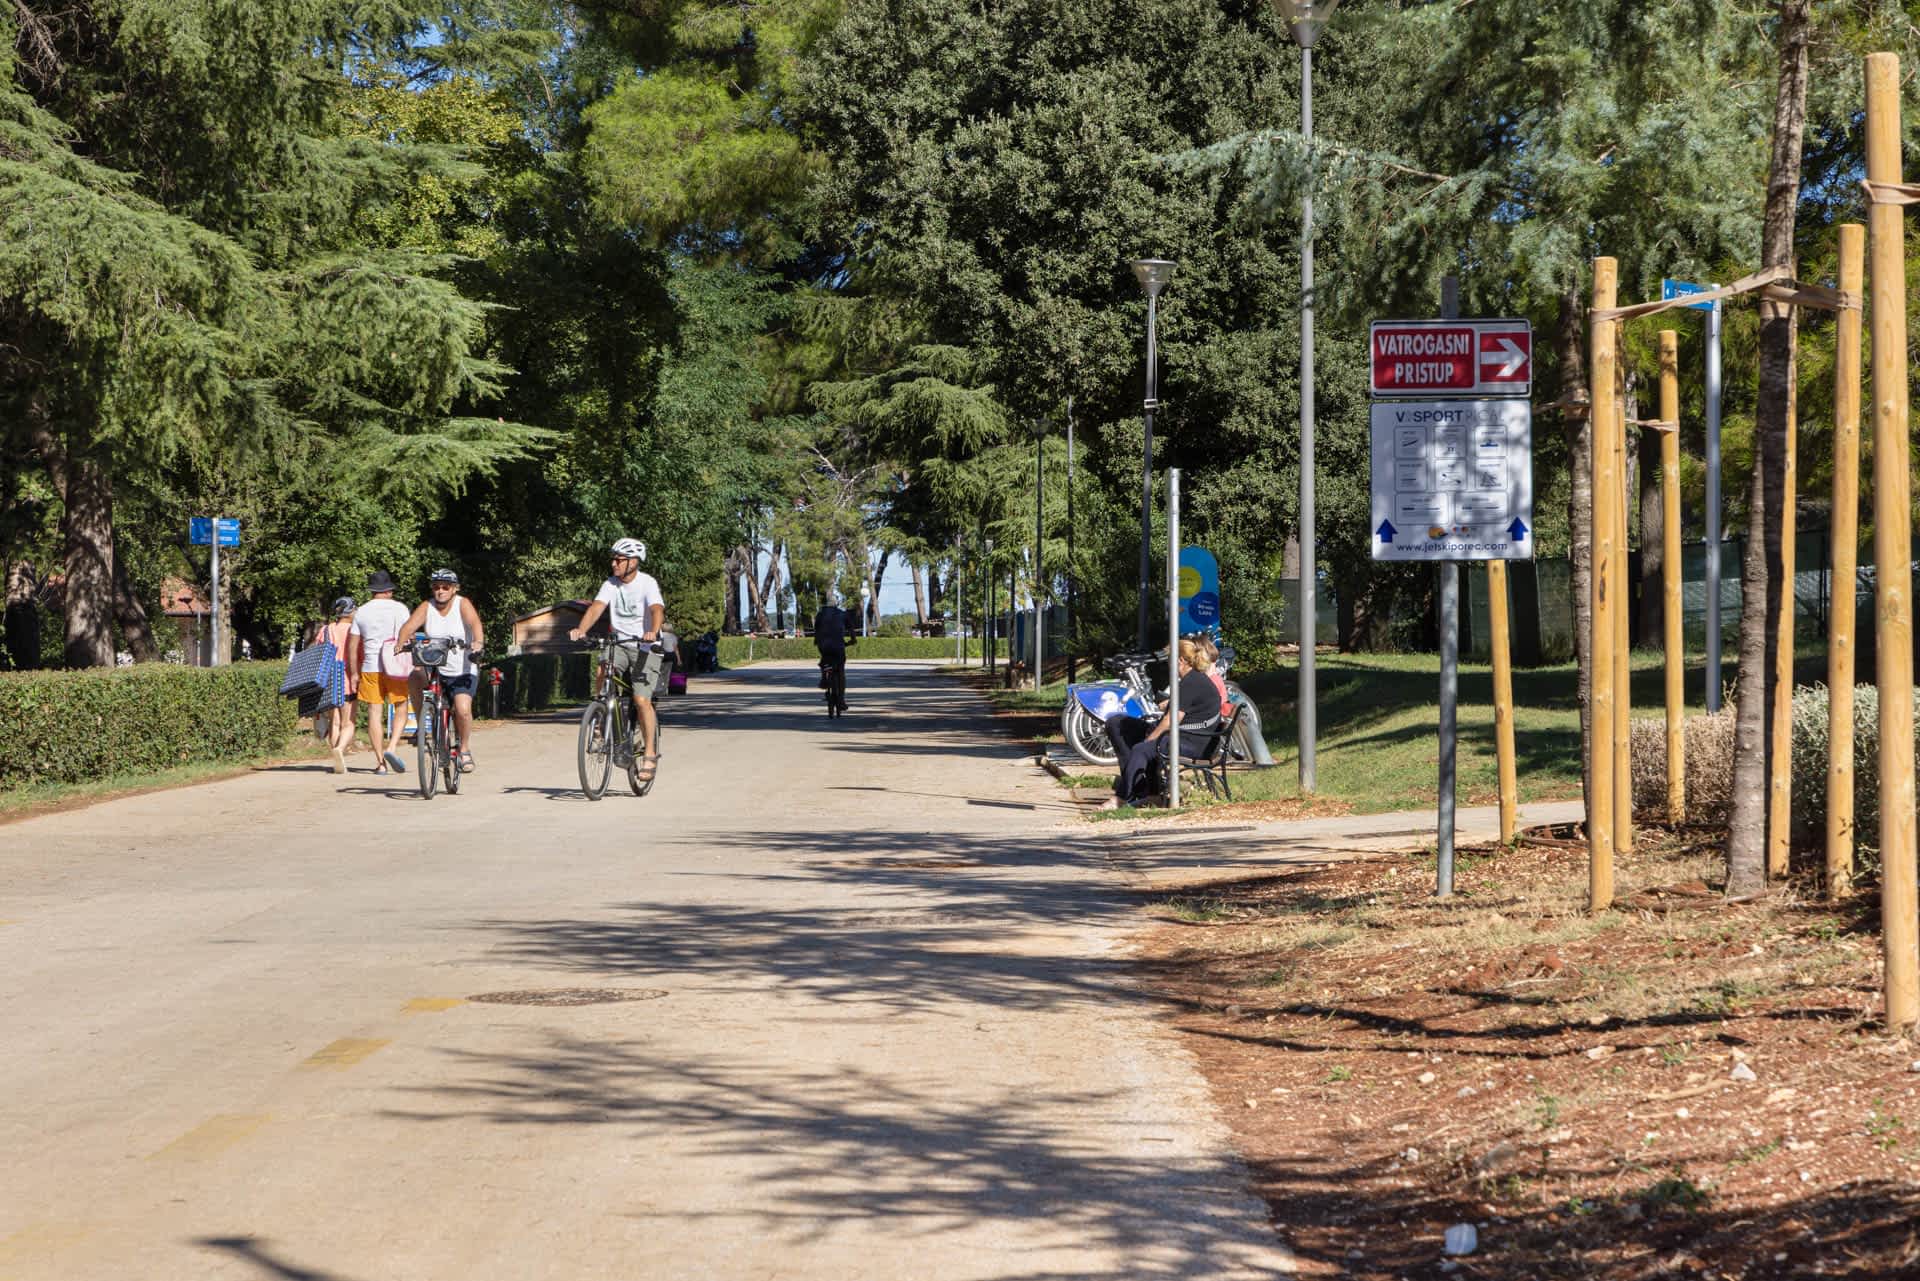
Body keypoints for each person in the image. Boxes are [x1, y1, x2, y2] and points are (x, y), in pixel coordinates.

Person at [568, 538, 665, 783]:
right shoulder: (610, 584)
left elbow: (656, 610)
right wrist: (581, 629)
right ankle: (601, 714)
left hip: (645, 646)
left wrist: (652, 631)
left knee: (641, 699)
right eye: (614, 559)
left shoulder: (647, 583)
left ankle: (650, 754)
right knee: (604, 667)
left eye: (619, 560)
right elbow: (596, 608)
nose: (614, 564)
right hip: (619, 644)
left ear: (633, 562)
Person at [1101, 638, 1221, 810]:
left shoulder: (1192, 683)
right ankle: (1144, 790)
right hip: (1184, 736)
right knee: (1118, 723)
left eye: (1169, 659)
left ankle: (1122, 798)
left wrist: (1150, 738)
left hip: (1193, 743)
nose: (1167, 664)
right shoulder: (1190, 680)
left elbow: (1170, 721)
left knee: (1142, 748)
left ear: (1180, 660)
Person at [397, 568, 486, 773]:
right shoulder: (427, 606)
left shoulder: (462, 604)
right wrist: (401, 642)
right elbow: (408, 627)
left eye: (445, 587)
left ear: (454, 589)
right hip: (436, 666)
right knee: (415, 677)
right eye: (436, 587)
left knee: (462, 709)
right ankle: (423, 727)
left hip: (463, 668)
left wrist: (478, 643)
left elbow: (475, 624)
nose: (440, 591)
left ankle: (464, 750)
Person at [348, 570, 412, 775]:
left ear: (372, 590)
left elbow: (353, 645)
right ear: (389, 590)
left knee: (374, 713)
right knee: (401, 707)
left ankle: (380, 763)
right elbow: (408, 636)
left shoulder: (361, 612)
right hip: (395, 666)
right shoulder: (400, 609)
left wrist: (354, 672)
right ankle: (392, 747)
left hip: (370, 667)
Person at [321, 596, 357, 774]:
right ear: (350, 611)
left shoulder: (326, 629)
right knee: (348, 722)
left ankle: (336, 758)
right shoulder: (354, 630)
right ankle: (340, 749)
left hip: (329, 679)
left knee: (334, 722)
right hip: (347, 678)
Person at [812, 590, 856, 711]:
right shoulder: (842, 614)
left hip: (824, 645)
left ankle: (824, 678)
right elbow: (851, 630)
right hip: (838, 646)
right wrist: (852, 640)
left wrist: (817, 641)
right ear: (837, 604)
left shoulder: (820, 614)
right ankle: (841, 701)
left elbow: (816, 631)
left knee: (824, 659)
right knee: (840, 671)